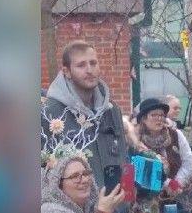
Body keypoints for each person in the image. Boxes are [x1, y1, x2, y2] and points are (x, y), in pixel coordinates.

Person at [42, 40, 129, 193]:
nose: (89, 70)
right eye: (81, 65)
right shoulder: (49, 113)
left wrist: (127, 200)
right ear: (66, 71)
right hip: (72, 212)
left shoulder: (111, 110)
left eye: (93, 63)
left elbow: (123, 158)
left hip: (115, 208)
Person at [131, 97, 192, 213]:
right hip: (146, 203)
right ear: (143, 119)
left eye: (162, 115)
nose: (159, 119)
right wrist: (166, 183)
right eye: (154, 115)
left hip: (175, 199)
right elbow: (139, 171)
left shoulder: (175, 135)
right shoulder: (135, 142)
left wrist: (177, 183)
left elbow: (189, 162)